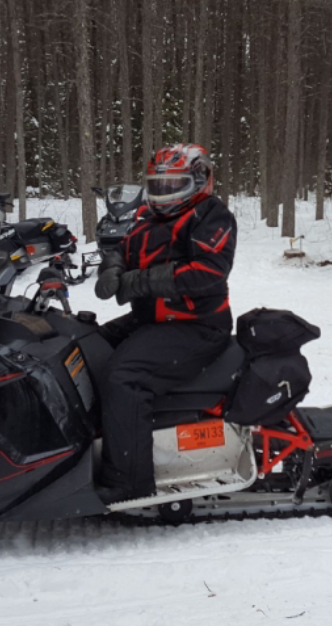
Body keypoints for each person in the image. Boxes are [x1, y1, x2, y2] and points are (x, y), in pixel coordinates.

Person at [92, 143, 236, 504]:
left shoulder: (211, 216)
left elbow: (208, 271)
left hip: (196, 325)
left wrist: (140, 282)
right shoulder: (148, 216)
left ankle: (128, 480)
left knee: (124, 377)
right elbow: (122, 246)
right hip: (152, 318)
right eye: (157, 186)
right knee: (86, 348)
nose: (162, 194)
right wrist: (112, 267)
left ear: (198, 181)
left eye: (172, 186)